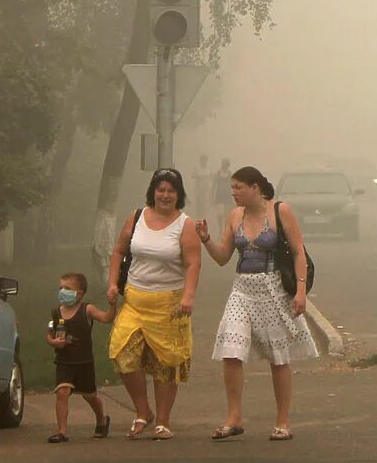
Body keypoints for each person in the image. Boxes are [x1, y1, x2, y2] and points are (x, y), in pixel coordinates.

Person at [196, 165, 318, 442]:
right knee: (231, 349)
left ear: (255, 188)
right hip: (242, 288)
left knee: (278, 356)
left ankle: (282, 421)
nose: (234, 194)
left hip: (272, 288)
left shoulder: (279, 211)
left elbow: (299, 252)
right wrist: (206, 240)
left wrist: (300, 292)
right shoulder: (234, 216)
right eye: (232, 188)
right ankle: (234, 417)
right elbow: (223, 256)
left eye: (239, 188)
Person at [106, 168, 201, 440]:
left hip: (169, 304)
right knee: (122, 353)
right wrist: (113, 283)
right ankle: (142, 411)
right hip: (135, 301)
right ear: (153, 192)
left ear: (178, 194)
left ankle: (162, 421)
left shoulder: (185, 225)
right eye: (161, 189)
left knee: (166, 363)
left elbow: (193, 263)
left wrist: (188, 296)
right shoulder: (137, 217)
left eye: (171, 190)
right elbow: (119, 251)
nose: (165, 195)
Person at [46, 272, 117, 443]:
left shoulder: (87, 309)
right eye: (60, 288)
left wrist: (113, 306)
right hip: (64, 362)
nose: (62, 291)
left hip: (83, 362)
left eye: (67, 288)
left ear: (79, 293)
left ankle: (102, 419)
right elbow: (49, 333)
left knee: (90, 395)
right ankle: (62, 431)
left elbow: (106, 318)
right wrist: (54, 342)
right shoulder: (55, 314)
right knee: (62, 392)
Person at [212, 157, 232, 234]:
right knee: (220, 214)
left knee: (226, 215)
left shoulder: (230, 174)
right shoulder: (217, 174)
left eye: (227, 164)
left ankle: (225, 230)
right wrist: (211, 195)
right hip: (219, 195)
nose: (225, 166)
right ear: (222, 164)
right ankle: (220, 229)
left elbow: (233, 186)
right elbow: (213, 185)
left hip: (227, 196)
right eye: (224, 164)